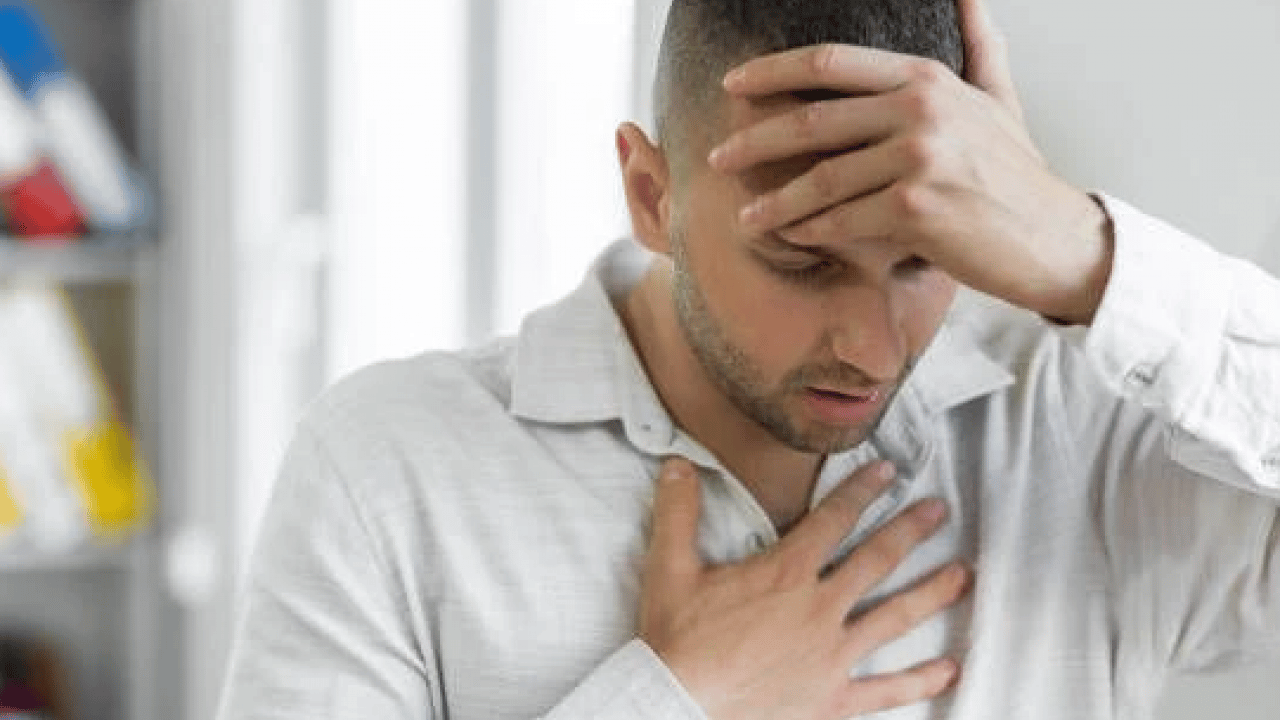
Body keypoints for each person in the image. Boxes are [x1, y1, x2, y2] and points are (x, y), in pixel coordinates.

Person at [215, 0, 1280, 718]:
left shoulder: (1089, 440)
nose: (870, 348)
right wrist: (673, 699)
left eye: (923, 260)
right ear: (650, 193)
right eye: (799, 262)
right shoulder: (389, 471)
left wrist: (1086, 251)